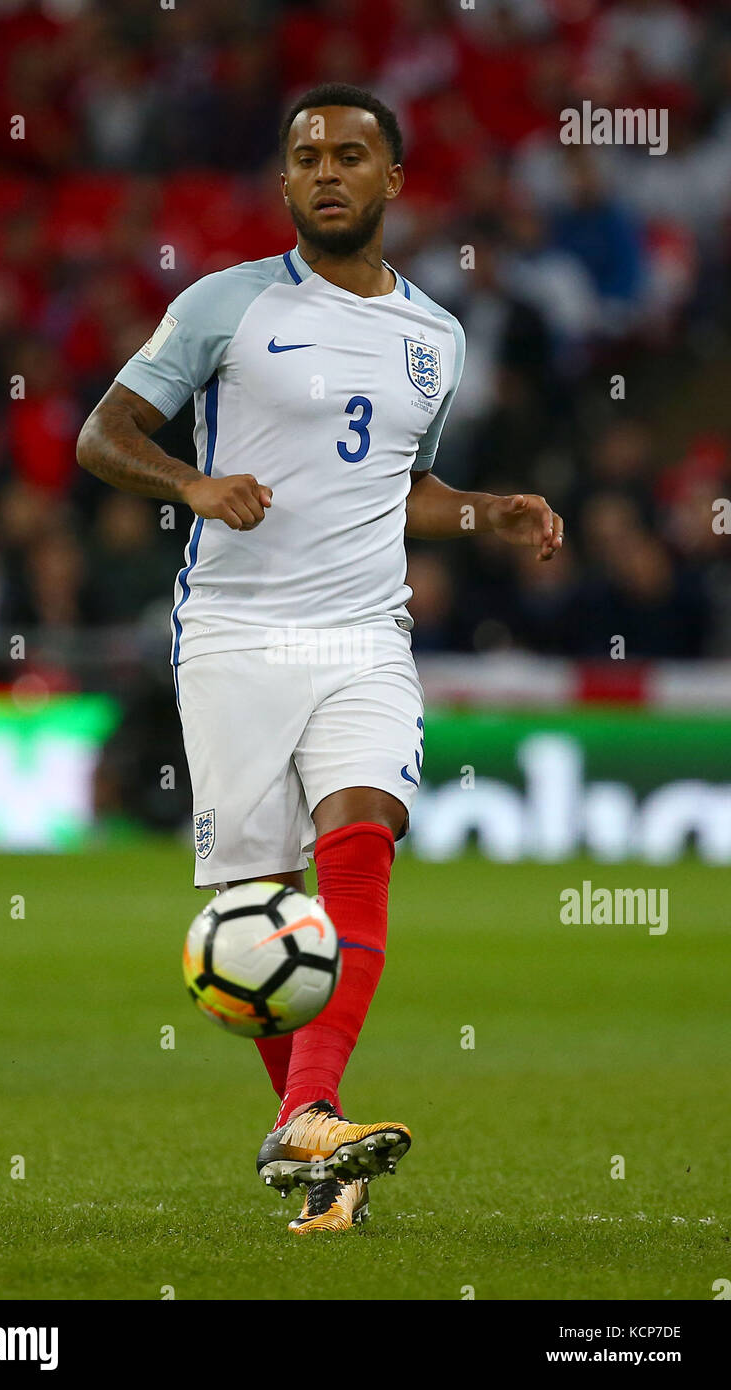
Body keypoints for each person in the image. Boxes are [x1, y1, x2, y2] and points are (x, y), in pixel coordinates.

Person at [77, 82, 564, 1235]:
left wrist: (484, 511)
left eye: (349, 155)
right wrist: (191, 483)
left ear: (391, 178)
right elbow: (104, 433)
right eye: (305, 158)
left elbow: (399, 487)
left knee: (362, 833)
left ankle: (305, 1119)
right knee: (259, 919)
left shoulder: (434, 338)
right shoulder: (224, 305)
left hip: (362, 636)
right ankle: (316, 1150)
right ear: (285, 182)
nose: (325, 172)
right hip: (235, 636)